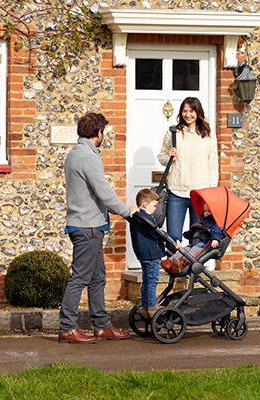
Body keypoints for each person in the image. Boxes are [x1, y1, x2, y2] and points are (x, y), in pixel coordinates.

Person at [59, 112, 137, 344]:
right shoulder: (88, 157)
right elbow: (104, 192)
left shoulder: (75, 154)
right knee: (80, 278)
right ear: (98, 132)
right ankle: (67, 327)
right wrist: (126, 211)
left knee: (97, 278)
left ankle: (102, 326)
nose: (104, 136)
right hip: (88, 227)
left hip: (86, 224)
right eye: (104, 132)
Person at [157, 97, 218, 249]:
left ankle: (193, 273)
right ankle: (175, 271)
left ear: (198, 112)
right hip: (176, 192)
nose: (188, 114)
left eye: (191, 111)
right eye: (185, 111)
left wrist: (211, 195)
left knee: (198, 238)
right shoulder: (173, 132)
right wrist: (169, 155)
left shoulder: (208, 134)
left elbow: (213, 164)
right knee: (173, 238)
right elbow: (162, 157)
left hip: (200, 194)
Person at [126, 188, 167, 319]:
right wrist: (171, 239)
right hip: (151, 254)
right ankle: (151, 307)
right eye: (154, 206)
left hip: (144, 254)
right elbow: (155, 233)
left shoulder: (137, 216)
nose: (156, 209)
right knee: (151, 281)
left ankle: (145, 305)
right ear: (145, 205)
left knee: (146, 280)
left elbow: (127, 214)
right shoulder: (144, 218)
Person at [161, 203, 225, 273]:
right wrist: (189, 234)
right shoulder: (203, 221)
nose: (206, 213)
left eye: (209, 211)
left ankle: (181, 263)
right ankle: (169, 262)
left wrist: (215, 239)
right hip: (194, 243)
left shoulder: (214, 223)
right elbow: (196, 230)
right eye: (205, 211)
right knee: (183, 250)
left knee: (192, 253)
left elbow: (216, 231)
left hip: (203, 244)